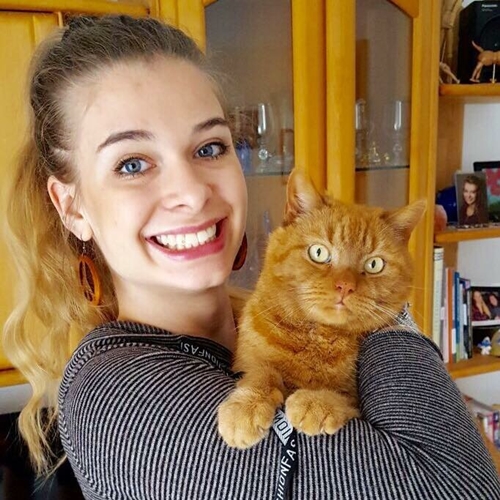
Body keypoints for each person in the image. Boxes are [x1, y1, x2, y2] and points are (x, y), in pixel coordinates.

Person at [3, 15, 500, 500]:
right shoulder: (119, 398)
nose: (191, 193)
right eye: (132, 164)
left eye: (209, 148)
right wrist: (386, 314)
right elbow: (461, 487)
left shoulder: (262, 320)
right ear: (72, 206)